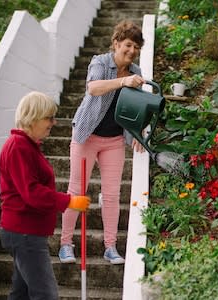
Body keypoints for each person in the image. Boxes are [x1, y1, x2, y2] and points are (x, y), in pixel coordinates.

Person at [58, 20, 146, 265]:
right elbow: (93, 88)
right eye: (128, 45)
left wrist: (140, 131)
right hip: (86, 136)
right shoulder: (100, 62)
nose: (131, 51)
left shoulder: (136, 72)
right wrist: (122, 81)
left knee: (111, 195)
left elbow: (138, 108)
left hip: (114, 140)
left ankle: (110, 247)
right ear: (116, 43)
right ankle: (65, 244)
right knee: (76, 191)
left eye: (136, 47)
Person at [0, 91, 91, 299]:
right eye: (49, 117)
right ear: (33, 117)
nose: (53, 122)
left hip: (24, 231)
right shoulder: (19, 147)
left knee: (20, 293)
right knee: (45, 294)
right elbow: (32, 192)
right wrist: (69, 201)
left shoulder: (26, 146)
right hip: (24, 232)